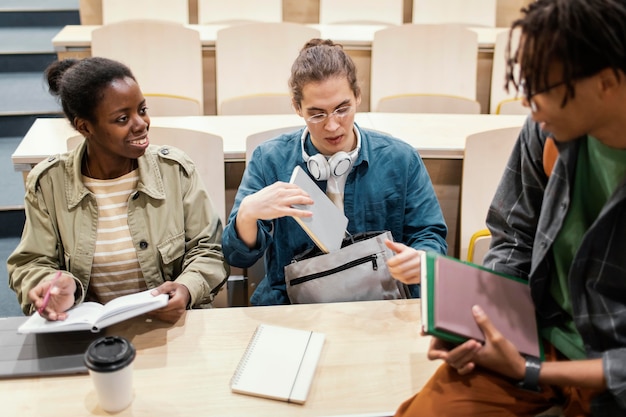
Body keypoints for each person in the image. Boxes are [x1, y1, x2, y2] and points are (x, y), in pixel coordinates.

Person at [395, 0, 626, 415]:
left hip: (607, 375)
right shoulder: (547, 131)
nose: (527, 101)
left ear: (606, 82)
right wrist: (476, 325)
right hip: (531, 334)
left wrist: (530, 370)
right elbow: (513, 236)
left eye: (542, 87)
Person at [222, 39, 447, 306]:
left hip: (378, 303)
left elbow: (429, 236)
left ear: (358, 96)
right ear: (297, 108)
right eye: (317, 114)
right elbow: (237, 257)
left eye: (342, 109)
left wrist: (421, 257)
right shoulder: (269, 160)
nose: (332, 126)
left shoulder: (401, 158)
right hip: (294, 307)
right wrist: (248, 214)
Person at [8, 57, 229, 323]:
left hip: (167, 326)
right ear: (85, 127)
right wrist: (53, 286)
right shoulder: (48, 183)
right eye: (123, 118)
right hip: (86, 331)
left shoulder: (175, 170)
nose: (141, 123)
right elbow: (30, 263)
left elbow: (209, 249)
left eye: (142, 109)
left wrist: (186, 287)